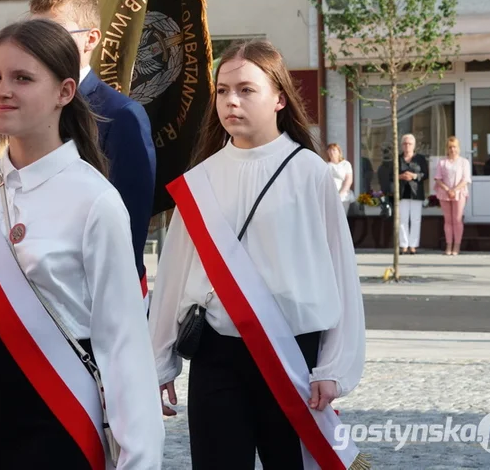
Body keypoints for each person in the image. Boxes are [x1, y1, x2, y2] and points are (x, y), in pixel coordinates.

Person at [0, 19, 164, 470]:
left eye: (22, 78)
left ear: (65, 91)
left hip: (59, 411)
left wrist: (138, 460)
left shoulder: (96, 200)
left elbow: (124, 346)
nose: (2, 90)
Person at [149, 39, 365, 469]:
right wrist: (158, 362)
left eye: (246, 89)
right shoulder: (198, 181)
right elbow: (173, 276)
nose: (231, 101)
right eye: (223, 90)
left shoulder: (311, 174)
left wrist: (333, 366)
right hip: (217, 357)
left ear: (279, 98)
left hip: (293, 358)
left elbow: (341, 275)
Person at [0, 0, 156, 302]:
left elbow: (127, 228)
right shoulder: (13, 106)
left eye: (55, 31)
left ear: (90, 39)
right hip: (5, 288)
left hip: (78, 299)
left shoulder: (121, 115)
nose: (40, 43)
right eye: (35, 30)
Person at [390, 134, 429, 255]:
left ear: (414, 145)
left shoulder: (420, 159)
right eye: (405, 143)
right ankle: (404, 245)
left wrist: (414, 176)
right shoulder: (397, 159)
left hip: (416, 192)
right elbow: (391, 176)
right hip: (402, 192)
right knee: (402, 220)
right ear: (401, 145)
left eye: (409, 144)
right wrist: (400, 176)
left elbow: (425, 175)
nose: (407, 146)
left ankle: (413, 245)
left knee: (416, 219)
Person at [434, 137, 471, 256]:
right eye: (450, 147)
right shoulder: (442, 162)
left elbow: (466, 179)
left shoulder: (464, 162)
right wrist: (447, 189)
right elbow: (438, 178)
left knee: (457, 220)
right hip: (444, 193)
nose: (452, 149)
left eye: (454, 146)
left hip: (459, 193)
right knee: (448, 220)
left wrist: (454, 190)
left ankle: (457, 245)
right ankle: (449, 244)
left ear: (458, 148)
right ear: (447, 148)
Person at [326, 143, 354, 212]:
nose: (331, 152)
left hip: (343, 196)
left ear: (339, 152)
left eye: (334, 150)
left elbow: (348, 180)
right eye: (329, 150)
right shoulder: (326, 165)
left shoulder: (345, 164)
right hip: (329, 196)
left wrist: (340, 194)